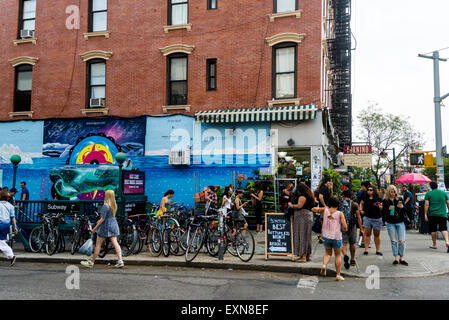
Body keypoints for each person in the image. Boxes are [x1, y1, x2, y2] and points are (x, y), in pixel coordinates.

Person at [81, 189, 123, 268]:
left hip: (105, 227)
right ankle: (120, 260)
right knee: (115, 243)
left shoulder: (105, 206)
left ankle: (91, 262)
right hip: (113, 225)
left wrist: (94, 229)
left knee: (98, 245)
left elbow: (102, 219)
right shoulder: (114, 205)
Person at [312, 196, 348, 281]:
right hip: (336, 236)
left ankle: (324, 265)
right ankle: (338, 275)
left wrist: (318, 208)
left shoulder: (325, 210)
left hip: (326, 236)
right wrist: (345, 229)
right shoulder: (340, 213)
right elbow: (345, 226)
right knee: (338, 255)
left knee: (327, 253)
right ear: (338, 205)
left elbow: (314, 209)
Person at [288, 183, 315, 263]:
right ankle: (308, 255)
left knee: (301, 236)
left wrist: (291, 205)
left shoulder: (303, 196)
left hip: (302, 217)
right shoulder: (310, 195)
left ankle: (303, 257)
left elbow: (299, 206)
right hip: (308, 216)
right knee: (307, 236)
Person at [382, 185, 408, 265]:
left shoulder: (399, 199)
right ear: (388, 192)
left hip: (400, 222)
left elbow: (405, 211)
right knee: (393, 241)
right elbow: (383, 213)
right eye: (391, 192)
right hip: (390, 223)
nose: (393, 194)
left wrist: (402, 207)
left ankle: (402, 257)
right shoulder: (385, 201)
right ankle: (396, 257)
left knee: (401, 241)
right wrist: (387, 209)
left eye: (394, 192)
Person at [424, 181, 449, 251]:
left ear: (431, 187)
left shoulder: (428, 194)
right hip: (442, 214)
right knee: (443, 229)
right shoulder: (444, 193)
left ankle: (434, 244)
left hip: (432, 214)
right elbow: (448, 203)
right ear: (437, 186)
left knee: (433, 229)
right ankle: (447, 242)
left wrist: (425, 214)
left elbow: (426, 204)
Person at [341, 189, 363, 269]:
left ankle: (345, 255)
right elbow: (358, 217)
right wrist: (361, 228)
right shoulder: (354, 204)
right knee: (352, 243)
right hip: (352, 225)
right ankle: (353, 259)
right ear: (351, 196)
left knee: (343, 243)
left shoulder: (340, 203)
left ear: (343, 195)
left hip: (342, 225)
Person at [360, 186, 383, 256]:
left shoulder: (379, 198)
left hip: (377, 218)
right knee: (367, 234)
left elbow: (382, 207)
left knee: (377, 235)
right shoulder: (365, 198)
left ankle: (378, 250)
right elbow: (361, 203)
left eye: (371, 190)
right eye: (368, 190)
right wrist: (361, 210)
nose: (369, 191)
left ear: (374, 191)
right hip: (367, 218)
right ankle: (366, 250)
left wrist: (379, 206)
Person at [0, 190, 17, 266]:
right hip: (6, 224)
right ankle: (10, 256)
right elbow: (13, 217)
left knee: (1, 242)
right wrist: (15, 227)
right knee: (1, 240)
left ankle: (11, 256)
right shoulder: (10, 206)